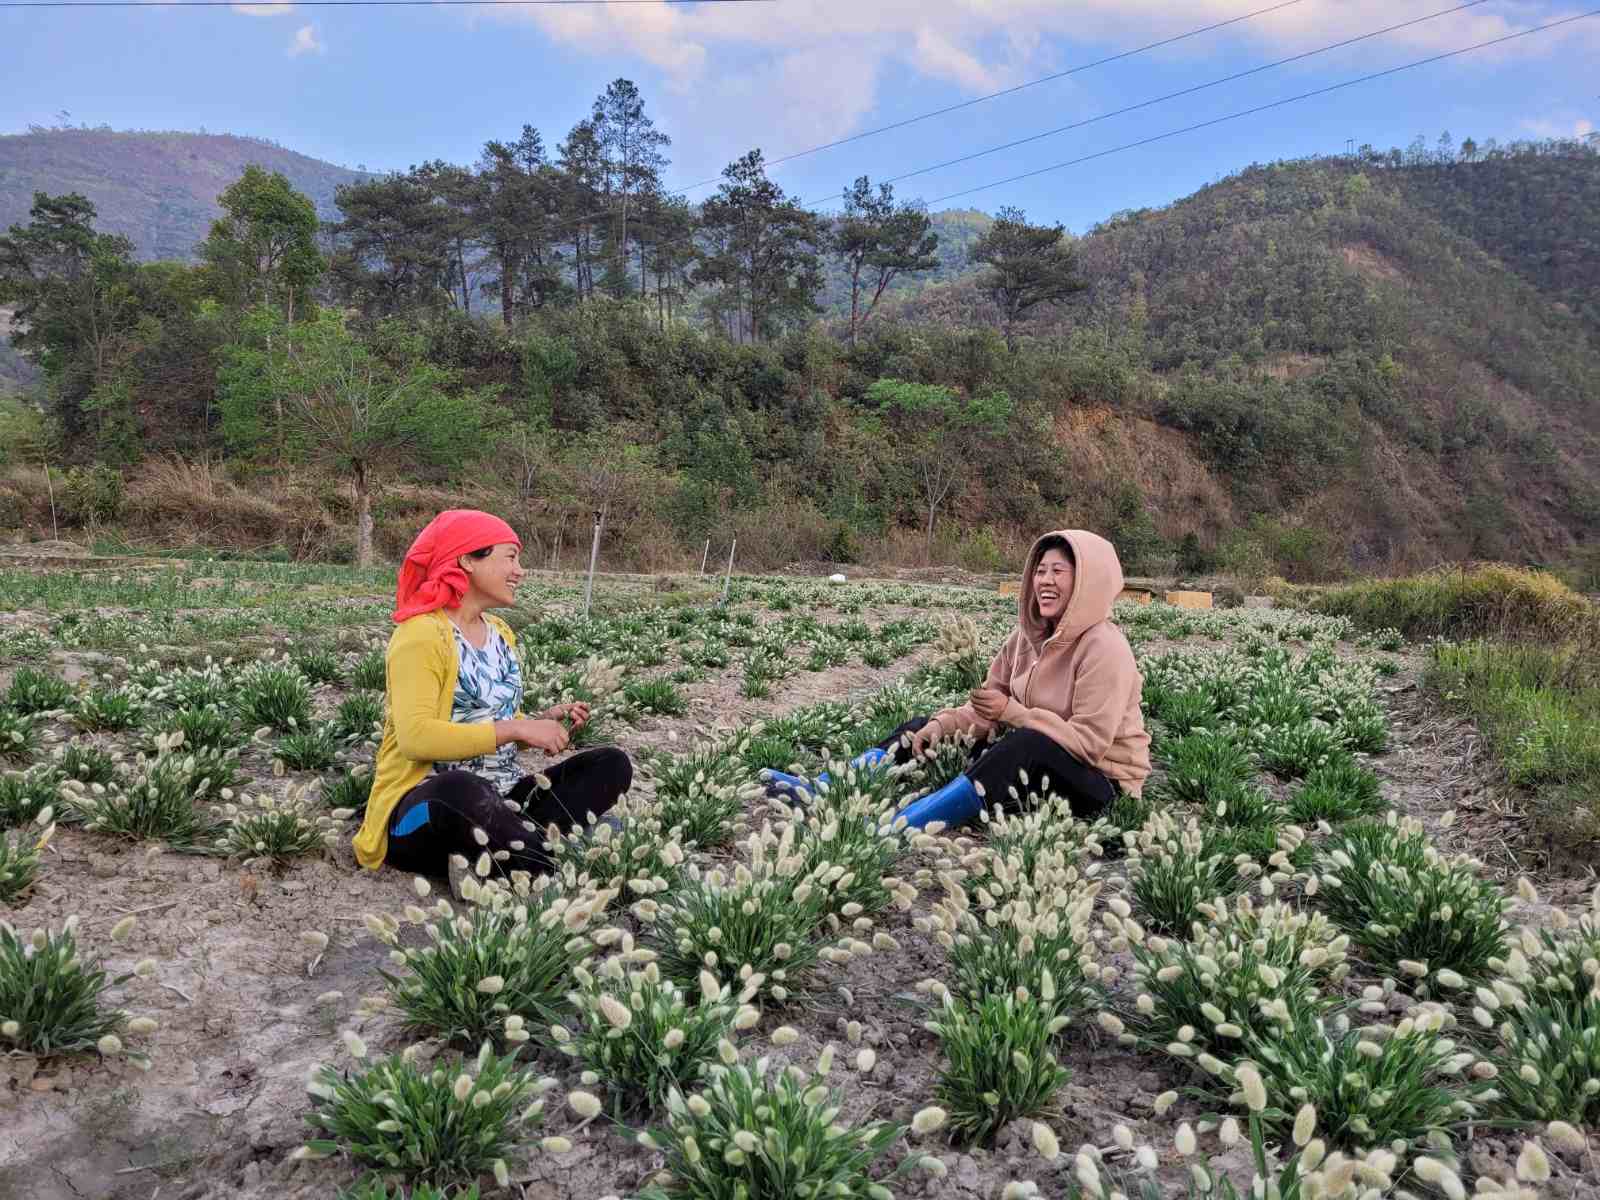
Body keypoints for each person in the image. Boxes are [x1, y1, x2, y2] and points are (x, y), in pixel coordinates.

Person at [764, 529, 1150, 829]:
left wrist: (1013, 713)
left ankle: (909, 824)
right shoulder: (1024, 639)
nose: (1045, 580)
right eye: (1040, 570)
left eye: (1058, 571)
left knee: (1024, 744)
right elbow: (986, 707)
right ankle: (827, 787)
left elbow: (1088, 744)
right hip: (1035, 756)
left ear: (1086, 582)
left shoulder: (1104, 648)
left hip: (1101, 783)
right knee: (923, 729)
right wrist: (942, 726)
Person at [352, 509, 632, 892]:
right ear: (467, 559)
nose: (520, 570)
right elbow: (415, 739)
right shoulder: (421, 635)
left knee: (611, 765)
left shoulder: (500, 634)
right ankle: (545, 860)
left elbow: (496, 723)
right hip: (429, 812)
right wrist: (516, 727)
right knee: (461, 789)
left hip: (503, 800)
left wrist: (538, 723)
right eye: (510, 557)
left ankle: (506, 852)